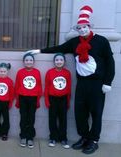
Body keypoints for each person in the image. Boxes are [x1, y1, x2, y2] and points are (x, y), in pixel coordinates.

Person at [28, 5, 115, 154]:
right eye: (79, 28)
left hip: (97, 84)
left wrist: (107, 82)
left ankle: (93, 140)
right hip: (81, 83)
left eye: (84, 27)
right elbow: (59, 48)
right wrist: (39, 51)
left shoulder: (102, 41)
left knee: (96, 112)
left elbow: (110, 63)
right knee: (80, 112)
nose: (82, 30)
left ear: (89, 26)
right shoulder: (75, 42)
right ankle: (84, 137)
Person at [15, 53, 43, 149]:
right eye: (26, 60)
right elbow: (17, 86)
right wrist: (17, 100)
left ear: (33, 62)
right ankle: (23, 136)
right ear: (23, 62)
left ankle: (30, 137)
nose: (28, 62)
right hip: (22, 97)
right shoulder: (20, 72)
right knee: (23, 118)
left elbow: (39, 86)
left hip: (33, 98)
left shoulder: (37, 72)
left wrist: (38, 99)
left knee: (31, 118)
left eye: (30, 60)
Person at [45, 53, 71, 149]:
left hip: (63, 99)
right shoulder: (49, 72)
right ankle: (53, 138)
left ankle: (63, 138)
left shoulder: (67, 73)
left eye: (61, 60)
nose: (59, 62)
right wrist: (47, 101)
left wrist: (67, 101)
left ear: (64, 62)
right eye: (57, 60)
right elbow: (47, 88)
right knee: (52, 119)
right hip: (52, 98)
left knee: (63, 119)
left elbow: (68, 88)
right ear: (54, 62)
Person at [0, 63, 14, 141]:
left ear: (7, 71)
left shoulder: (10, 81)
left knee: (6, 118)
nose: (2, 73)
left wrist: (10, 103)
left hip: (6, 102)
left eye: (4, 71)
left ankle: (5, 133)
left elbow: (11, 93)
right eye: (1, 71)